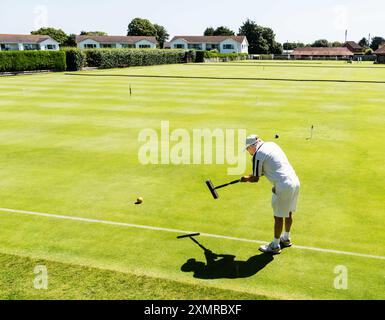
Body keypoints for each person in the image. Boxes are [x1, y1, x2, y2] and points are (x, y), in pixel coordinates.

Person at [241, 135, 300, 254]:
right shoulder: (272, 145)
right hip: (295, 181)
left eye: (248, 149)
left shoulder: (258, 154)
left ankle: (275, 245)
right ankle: (286, 238)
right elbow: (270, 167)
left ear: (253, 146)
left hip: (283, 185)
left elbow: (255, 178)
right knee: (288, 212)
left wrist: (246, 179)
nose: (248, 152)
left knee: (278, 217)